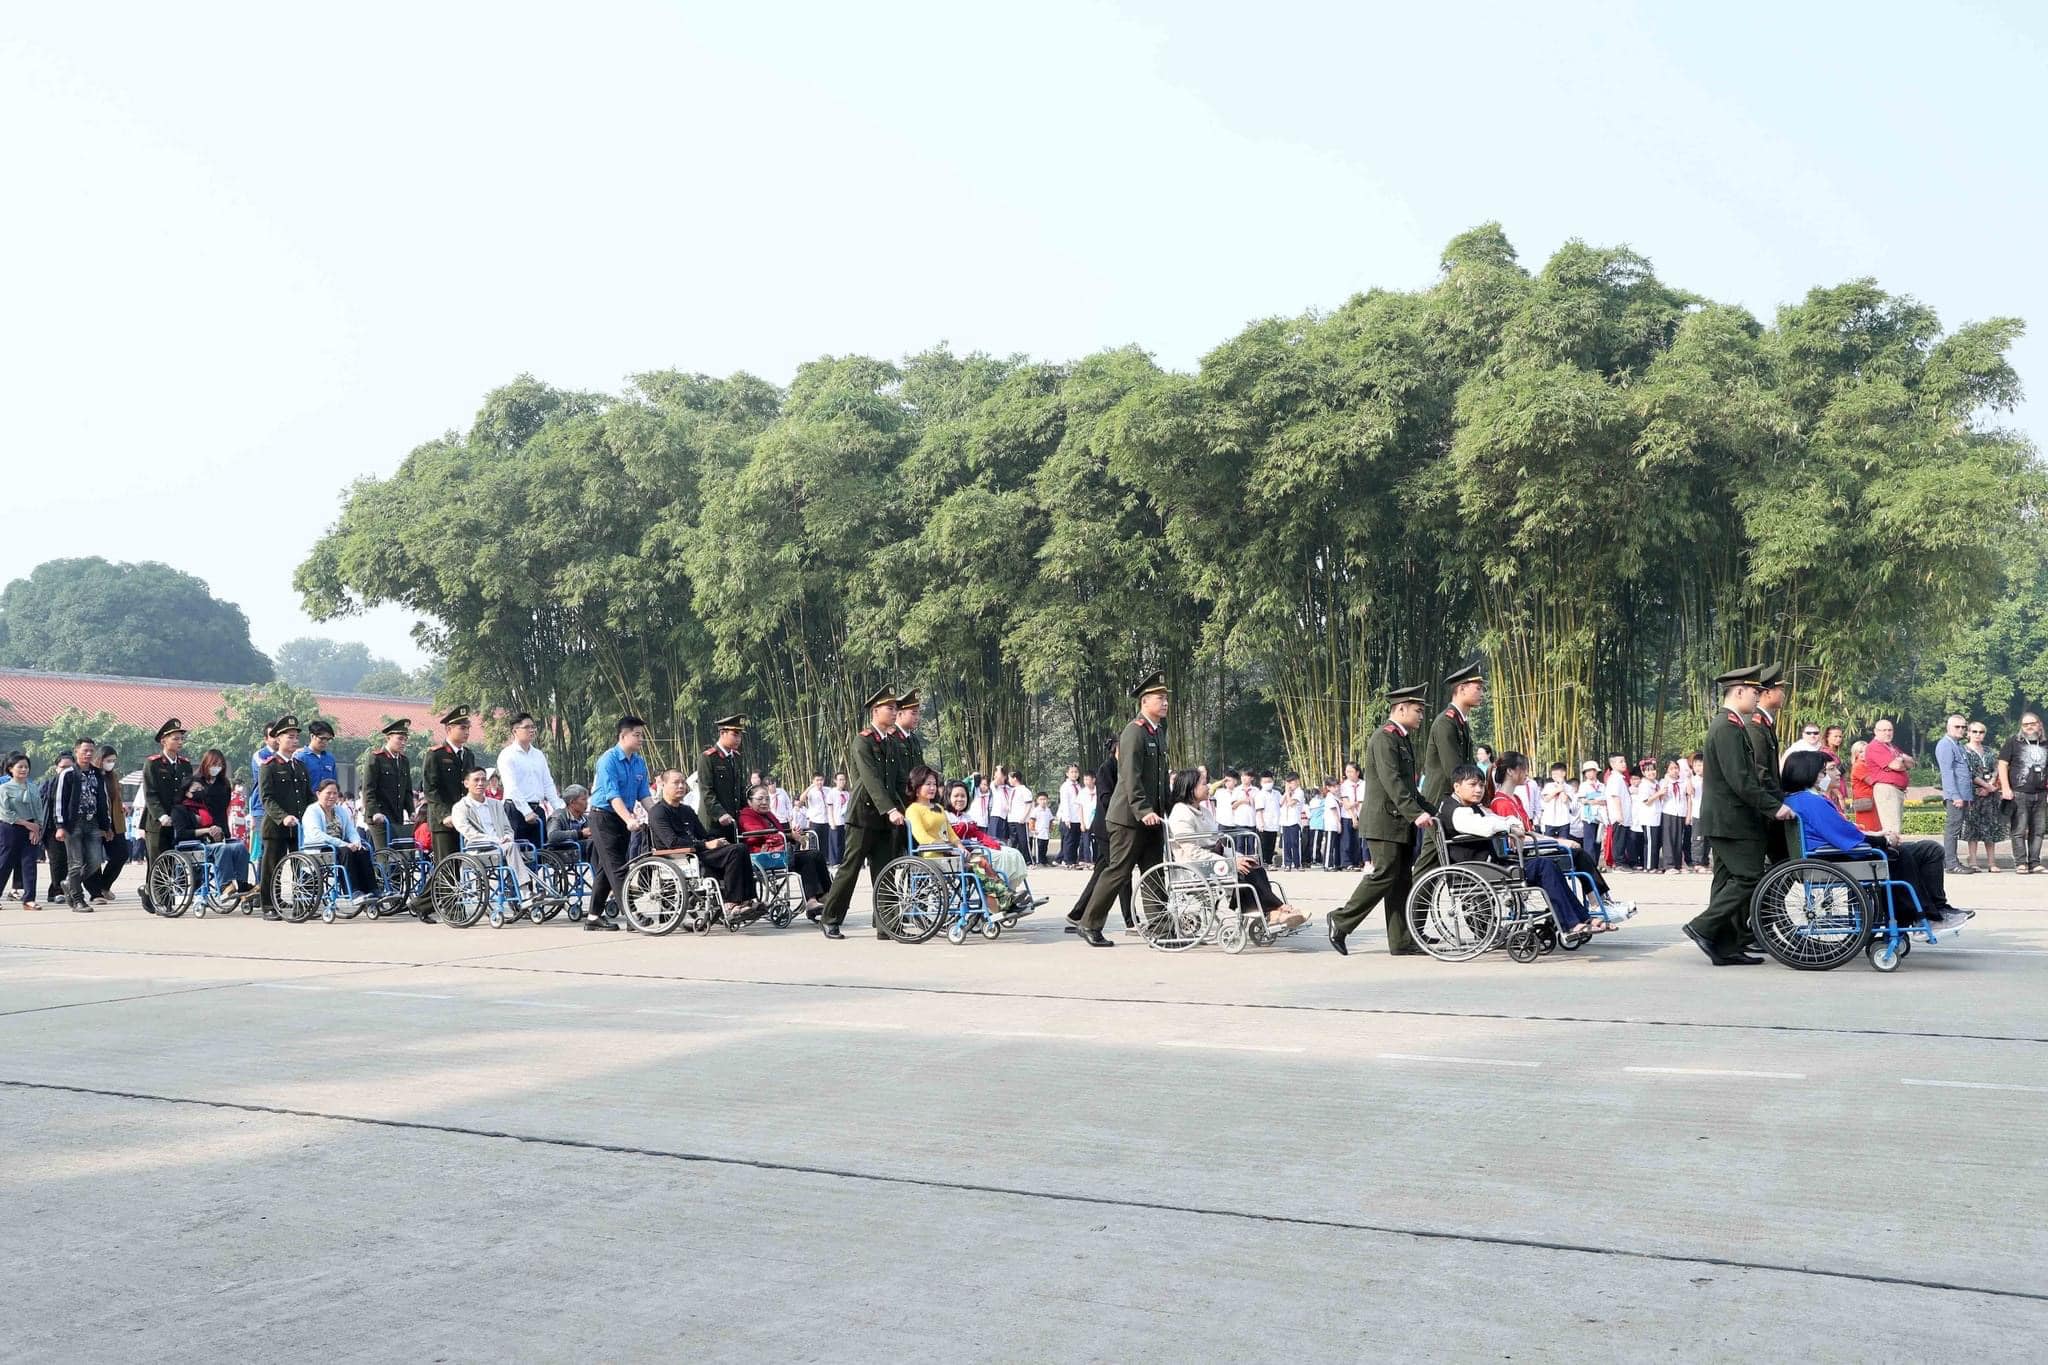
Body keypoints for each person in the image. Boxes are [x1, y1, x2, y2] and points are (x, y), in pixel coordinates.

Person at [1778, 750, 1966, 930]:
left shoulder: (1801, 799)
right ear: (1808, 773)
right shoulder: (1811, 801)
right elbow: (1842, 835)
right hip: (1833, 858)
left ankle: (1936, 909)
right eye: (1822, 772)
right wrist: (1883, 841)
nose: (1826, 775)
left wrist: (1879, 837)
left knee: (1929, 849)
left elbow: (1842, 831)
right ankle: (1922, 915)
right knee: (1900, 853)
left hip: (1831, 853)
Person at [1682, 667, 1794, 965]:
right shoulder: (1727, 728)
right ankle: (1703, 927)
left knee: (1725, 880)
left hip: (1725, 818)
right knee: (1749, 877)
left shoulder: (1731, 725)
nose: (1758, 697)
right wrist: (1774, 807)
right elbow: (1741, 780)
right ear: (1739, 691)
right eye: (1755, 692)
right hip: (1731, 819)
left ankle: (1723, 944)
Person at [1328, 685, 1436, 957]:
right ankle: (1340, 920)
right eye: (1418, 710)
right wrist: (1416, 814)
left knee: (1401, 881)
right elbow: (1392, 782)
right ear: (1401, 708)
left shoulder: (1402, 738)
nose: (1421, 716)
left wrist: (1434, 810)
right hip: (1384, 822)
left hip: (1399, 822)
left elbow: (1410, 788)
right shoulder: (1384, 738)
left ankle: (1402, 941)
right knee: (1384, 874)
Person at [1441, 764, 1602, 938]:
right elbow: (1487, 826)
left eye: (1481, 785)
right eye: (1473, 785)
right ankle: (1572, 922)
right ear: (1457, 786)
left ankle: (1580, 919)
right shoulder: (1457, 811)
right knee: (1544, 867)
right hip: (1479, 869)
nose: (1479, 790)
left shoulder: (1472, 807)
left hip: (1489, 866)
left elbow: (1504, 819)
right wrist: (1509, 826)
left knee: (1548, 865)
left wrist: (1510, 824)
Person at [1073, 673, 1171, 948]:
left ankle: (1162, 929)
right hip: (1129, 818)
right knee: (1118, 871)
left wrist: (1167, 807)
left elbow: (1160, 779)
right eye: (1160, 698)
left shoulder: (1157, 732)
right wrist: (1142, 810)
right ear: (1144, 701)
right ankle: (1089, 924)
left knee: (1155, 873)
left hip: (1152, 818)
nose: (1165, 703)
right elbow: (1130, 775)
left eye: (1166, 698)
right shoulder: (1133, 732)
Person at [1165, 768, 1306, 932]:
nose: (1209, 787)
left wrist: (1238, 857)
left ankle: (1274, 910)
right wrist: (1231, 863)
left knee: (1253, 865)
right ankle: (1272, 911)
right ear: (1190, 789)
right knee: (1243, 872)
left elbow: (1218, 844)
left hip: (1212, 859)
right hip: (1195, 866)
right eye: (1204, 784)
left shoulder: (1204, 811)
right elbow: (1192, 852)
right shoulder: (1181, 813)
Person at [818, 689, 908, 941]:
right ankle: (830, 918)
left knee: (885, 871)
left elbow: (899, 781)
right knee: (850, 869)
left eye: (895, 708)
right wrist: (890, 808)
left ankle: (887, 924)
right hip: (863, 816)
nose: (894, 712)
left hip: (885, 819)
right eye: (890, 708)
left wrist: (910, 806)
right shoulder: (863, 741)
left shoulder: (892, 743)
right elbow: (871, 779)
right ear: (875, 711)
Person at [585, 715, 651, 931]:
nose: (641, 739)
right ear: (623, 736)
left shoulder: (639, 762)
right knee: (618, 868)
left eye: (642, 735)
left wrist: (659, 817)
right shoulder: (608, 760)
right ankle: (633, 916)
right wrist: (629, 819)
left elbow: (645, 795)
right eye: (637, 735)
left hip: (624, 818)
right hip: (603, 817)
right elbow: (613, 796)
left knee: (607, 868)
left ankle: (593, 917)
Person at [1064, 737, 1131, 933]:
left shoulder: (1125, 767)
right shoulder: (1106, 769)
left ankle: (1077, 914)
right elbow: (1106, 799)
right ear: (1117, 750)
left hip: (1115, 828)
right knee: (1121, 874)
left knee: (1100, 873)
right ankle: (1130, 921)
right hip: (1107, 829)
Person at [735, 783, 828, 916]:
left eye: (767, 798)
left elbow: (779, 832)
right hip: (762, 856)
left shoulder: (769, 815)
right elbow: (758, 835)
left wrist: (793, 833)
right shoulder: (746, 816)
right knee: (808, 858)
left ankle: (826, 895)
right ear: (750, 801)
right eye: (760, 799)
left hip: (778, 852)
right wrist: (788, 836)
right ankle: (812, 900)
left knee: (816, 854)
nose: (764, 802)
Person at [176, 748, 253, 899]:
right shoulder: (192, 786)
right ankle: (225, 885)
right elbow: (183, 830)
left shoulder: (224, 784)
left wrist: (221, 832)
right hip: (197, 835)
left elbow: (223, 810)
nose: (216, 767)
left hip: (218, 828)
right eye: (213, 764)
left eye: (220, 765)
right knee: (221, 849)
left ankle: (242, 885)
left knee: (239, 847)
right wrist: (206, 829)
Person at [256, 718, 313, 921]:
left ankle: (302, 904)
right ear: (278, 739)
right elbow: (266, 798)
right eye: (290, 737)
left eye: (297, 737)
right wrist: (283, 817)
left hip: (299, 826)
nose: (295, 740)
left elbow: (308, 796)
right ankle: (269, 905)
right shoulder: (269, 766)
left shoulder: (300, 766)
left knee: (303, 866)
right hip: (276, 826)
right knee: (272, 868)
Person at [138, 718, 194, 914]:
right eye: (175, 738)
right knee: (157, 860)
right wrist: (161, 815)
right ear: (164, 741)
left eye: (181, 739)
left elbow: (187, 791)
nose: (179, 742)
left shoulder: (185, 765)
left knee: (171, 861)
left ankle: (156, 896)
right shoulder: (153, 763)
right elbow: (150, 793)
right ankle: (160, 899)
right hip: (156, 822)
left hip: (178, 819)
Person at [49, 737, 111, 912]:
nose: (88, 754)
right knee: (75, 863)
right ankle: (78, 900)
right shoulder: (68, 773)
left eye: (91, 750)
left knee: (95, 861)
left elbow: (103, 800)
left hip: (93, 822)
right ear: (76, 751)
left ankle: (70, 883)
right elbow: (59, 800)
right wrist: (60, 826)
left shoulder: (98, 774)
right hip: (73, 823)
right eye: (85, 750)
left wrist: (106, 826)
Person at [303, 778, 380, 911]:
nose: (332, 796)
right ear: (318, 794)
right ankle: (353, 891)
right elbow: (316, 834)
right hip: (320, 847)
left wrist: (356, 842)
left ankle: (373, 890)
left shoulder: (340, 810)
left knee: (363, 850)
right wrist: (342, 844)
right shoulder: (312, 811)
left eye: (335, 793)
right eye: (328, 793)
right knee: (346, 851)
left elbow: (350, 830)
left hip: (341, 846)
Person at [422, 707, 480, 867]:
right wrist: (444, 815)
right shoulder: (436, 754)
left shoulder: (468, 755)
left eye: (468, 728)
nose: (467, 732)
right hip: (443, 821)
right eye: (462, 728)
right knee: (447, 867)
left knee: (463, 864)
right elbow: (430, 789)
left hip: (464, 817)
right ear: (449, 729)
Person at [496, 712, 563, 850]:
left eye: (533, 727)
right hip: (515, 810)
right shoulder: (507, 755)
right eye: (527, 727)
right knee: (518, 853)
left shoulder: (538, 755)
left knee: (539, 852)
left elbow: (547, 783)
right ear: (515, 731)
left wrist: (558, 809)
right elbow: (511, 787)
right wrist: (526, 811)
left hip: (536, 808)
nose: (531, 730)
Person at [1421, 657, 1482, 806]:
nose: (1482, 694)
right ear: (1462, 689)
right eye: (1478, 688)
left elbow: (1469, 764)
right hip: (1442, 799)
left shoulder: (1460, 722)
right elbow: (1454, 770)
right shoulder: (1446, 722)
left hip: (1457, 797)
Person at [1998, 713, 2046, 874]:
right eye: (2025, 725)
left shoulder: (2045, 743)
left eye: (2032, 723)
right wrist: (2005, 788)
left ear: (2039, 724)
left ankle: (2034, 863)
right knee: (2019, 830)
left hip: (2041, 794)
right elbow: (2002, 765)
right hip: (2019, 793)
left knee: (2038, 831)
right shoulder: (2013, 742)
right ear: (2021, 727)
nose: (2029, 727)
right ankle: (2020, 863)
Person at [361, 720, 415, 850]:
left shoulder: (404, 761)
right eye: (400, 739)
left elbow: (407, 790)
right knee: (384, 852)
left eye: (405, 739)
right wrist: (375, 812)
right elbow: (368, 789)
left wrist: (411, 811)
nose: (403, 743)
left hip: (397, 814)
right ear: (388, 738)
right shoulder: (376, 758)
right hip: (379, 815)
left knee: (400, 852)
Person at [1, 752, 45, 911]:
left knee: (29, 863)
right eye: (20, 767)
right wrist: (27, 824)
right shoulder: (4, 788)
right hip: (11, 828)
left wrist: (36, 826)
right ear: (10, 769)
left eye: (26, 767)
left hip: (31, 828)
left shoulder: (33, 787)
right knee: (5, 862)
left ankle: (29, 899)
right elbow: (5, 813)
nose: (24, 770)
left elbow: (38, 808)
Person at [1934, 714, 1976, 874]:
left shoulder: (1958, 745)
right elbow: (1947, 773)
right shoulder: (1945, 745)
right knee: (1952, 829)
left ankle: (1953, 861)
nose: (1961, 729)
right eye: (1957, 726)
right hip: (1955, 796)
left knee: (1956, 829)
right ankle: (1951, 863)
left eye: (1964, 727)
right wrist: (1955, 795)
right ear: (1948, 727)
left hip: (1962, 794)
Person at [695, 714, 749, 837]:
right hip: (714, 822)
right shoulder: (708, 758)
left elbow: (740, 789)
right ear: (722, 733)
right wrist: (720, 813)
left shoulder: (736, 757)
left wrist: (746, 811)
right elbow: (706, 791)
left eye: (740, 735)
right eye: (735, 734)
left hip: (733, 821)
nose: (738, 739)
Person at [1963, 721, 2003, 872]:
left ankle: (1992, 863)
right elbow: (1969, 772)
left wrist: (1990, 784)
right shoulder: (1964, 751)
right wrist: (1985, 786)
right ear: (1968, 733)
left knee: (1990, 827)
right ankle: (1973, 862)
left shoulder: (1989, 751)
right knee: (1972, 828)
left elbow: (1996, 769)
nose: (1977, 734)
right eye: (1974, 731)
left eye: (1981, 732)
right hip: (1973, 793)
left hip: (1990, 795)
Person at [1864, 718, 1912, 839]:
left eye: (1890, 730)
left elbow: (1911, 763)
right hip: (1887, 789)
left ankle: (1894, 848)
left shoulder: (1891, 747)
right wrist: (1901, 760)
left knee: (1895, 827)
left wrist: (1900, 760)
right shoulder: (1875, 746)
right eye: (1884, 730)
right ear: (1876, 731)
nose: (1888, 733)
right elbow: (1896, 765)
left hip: (1895, 790)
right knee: (1892, 829)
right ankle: (1893, 850)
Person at [1659, 757, 1692, 873]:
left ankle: (1678, 864)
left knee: (1679, 840)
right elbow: (1662, 796)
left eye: (1676, 768)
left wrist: (1688, 778)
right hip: (1668, 812)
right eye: (1671, 768)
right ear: (1667, 770)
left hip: (1681, 812)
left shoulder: (1683, 781)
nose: (1675, 771)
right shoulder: (1663, 782)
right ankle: (1669, 865)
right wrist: (1667, 780)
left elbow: (1690, 793)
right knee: (1668, 839)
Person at [546, 784, 592, 859]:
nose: (587, 803)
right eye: (584, 799)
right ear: (572, 802)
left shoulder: (585, 818)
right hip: (561, 851)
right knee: (593, 844)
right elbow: (552, 835)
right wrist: (580, 833)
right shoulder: (558, 816)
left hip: (579, 848)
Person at [298, 720, 339, 799]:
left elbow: (334, 783)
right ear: (312, 736)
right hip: (307, 802)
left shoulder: (330, 759)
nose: (325, 742)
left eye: (328, 739)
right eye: (322, 738)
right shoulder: (301, 757)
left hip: (326, 802)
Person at [1056, 764, 1084, 867]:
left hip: (1077, 818)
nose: (1074, 774)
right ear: (1067, 774)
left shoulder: (1079, 786)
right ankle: (1068, 861)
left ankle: (1073, 860)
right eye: (1072, 772)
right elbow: (1065, 803)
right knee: (1069, 841)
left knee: (1076, 840)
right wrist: (1067, 818)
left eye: (1076, 772)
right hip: (1068, 818)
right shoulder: (1065, 787)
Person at [1337, 762, 1364, 870]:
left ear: (1357, 772)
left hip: (1361, 815)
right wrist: (1354, 818)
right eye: (1347, 771)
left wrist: (1359, 816)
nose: (1348, 774)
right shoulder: (1344, 785)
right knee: (1346, 840)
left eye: (1351, 771)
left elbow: (1363, 801)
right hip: (1347, 816)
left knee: (1358, 840)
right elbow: (1347, 804)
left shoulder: (1364, 784)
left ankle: (1357, 861)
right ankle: (1346, 863)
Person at [824, 771, 849, 867]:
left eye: (844, 779)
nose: (842, 781)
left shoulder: (847, 794)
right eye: (840, 779)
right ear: (835, 781)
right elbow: (829, 808)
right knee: (835, 842)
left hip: (845, 822)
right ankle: (834, 862)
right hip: (836, 820)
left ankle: (843, 860)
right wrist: (832, 822)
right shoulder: (832, 793)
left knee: (843, 843)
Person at [1028, 792, 1054, 866]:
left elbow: (1051, 820)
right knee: (1039, 848)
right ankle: (1038, 861)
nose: (1043, 801)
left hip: (1046, 833)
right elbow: (1031, 820)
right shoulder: (1036, 810)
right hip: (1038, 833)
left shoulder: (1048, 810)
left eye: (1045, 799)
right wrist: (1032, 829)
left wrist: (1050, 829)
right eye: (1041, 799)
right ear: (1037, 801)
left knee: (1045, 847)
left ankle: (1044, 861)